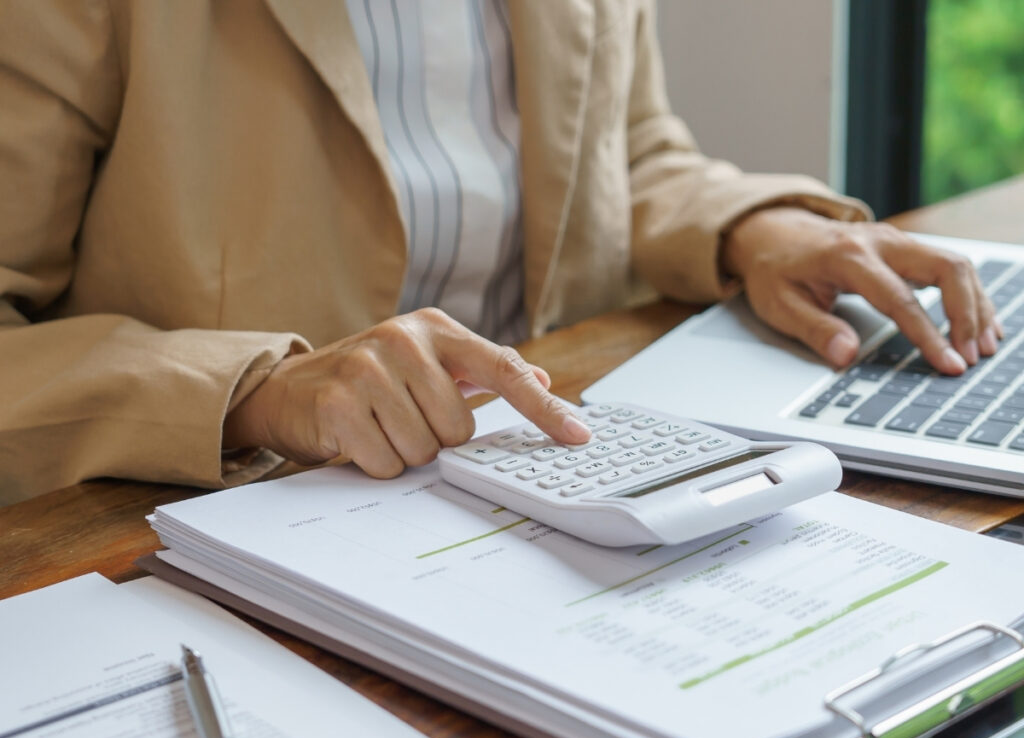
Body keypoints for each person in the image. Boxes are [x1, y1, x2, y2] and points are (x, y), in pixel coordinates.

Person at [0, 0, 999, 505]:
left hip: (557, 475)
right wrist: (260, 391)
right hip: (242, 514)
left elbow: (630, 148)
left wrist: (756, 228)